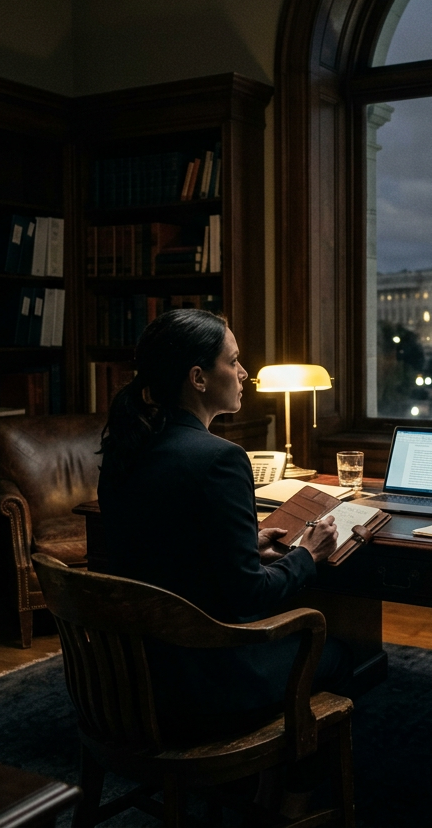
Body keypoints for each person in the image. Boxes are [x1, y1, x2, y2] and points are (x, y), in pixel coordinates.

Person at [97, 308, 347, 737]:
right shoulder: (221, 459)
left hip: (136, 671)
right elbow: (249, 595)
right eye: (233, 361)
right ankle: (294, 774)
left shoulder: (126, 446)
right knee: (341, 652)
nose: (244, 373)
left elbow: (165, 550)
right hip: (206, 679)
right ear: (198, 378)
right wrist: (307, 554)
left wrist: (245, 545)